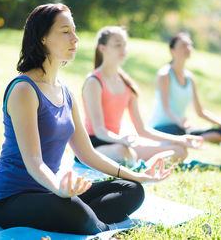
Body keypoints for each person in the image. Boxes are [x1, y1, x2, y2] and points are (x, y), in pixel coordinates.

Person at [0, 4, 174, 235]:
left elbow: (88, 154)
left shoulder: (66, 93)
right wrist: (60, 190)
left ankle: (85, 220)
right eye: (65, 31)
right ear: (43, 38)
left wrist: (139, 175)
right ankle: (101, 228)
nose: (75, 38)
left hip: (51, 194)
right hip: (10, 199)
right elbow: (34, 161)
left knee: (131, 190)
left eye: (74, 31)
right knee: (71, 208)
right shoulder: (24, 89)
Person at [80, 26, 203, 168]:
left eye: (124, 45)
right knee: (123, 152)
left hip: (121, 144)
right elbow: (99, 129)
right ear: (102, 48)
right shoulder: (94, 81)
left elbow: (142, 130)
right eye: (117, 45)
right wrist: (122, 140)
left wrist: (180, 139)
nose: (123, 49)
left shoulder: (127, 84)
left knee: (180, 150)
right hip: (95, 146)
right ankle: (140, 167)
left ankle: (146, 168)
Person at [150, 32, 221, 144]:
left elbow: (200, 112)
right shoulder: (164, 74)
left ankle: (192, 140)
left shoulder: (190, 78)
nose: (188, 48)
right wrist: (181, 122)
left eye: (189, 45)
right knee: (179, 132)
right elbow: (166, 109)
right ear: (172, 50)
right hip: (162, 128)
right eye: (183, 45)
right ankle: (190, 141)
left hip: (182, 128)